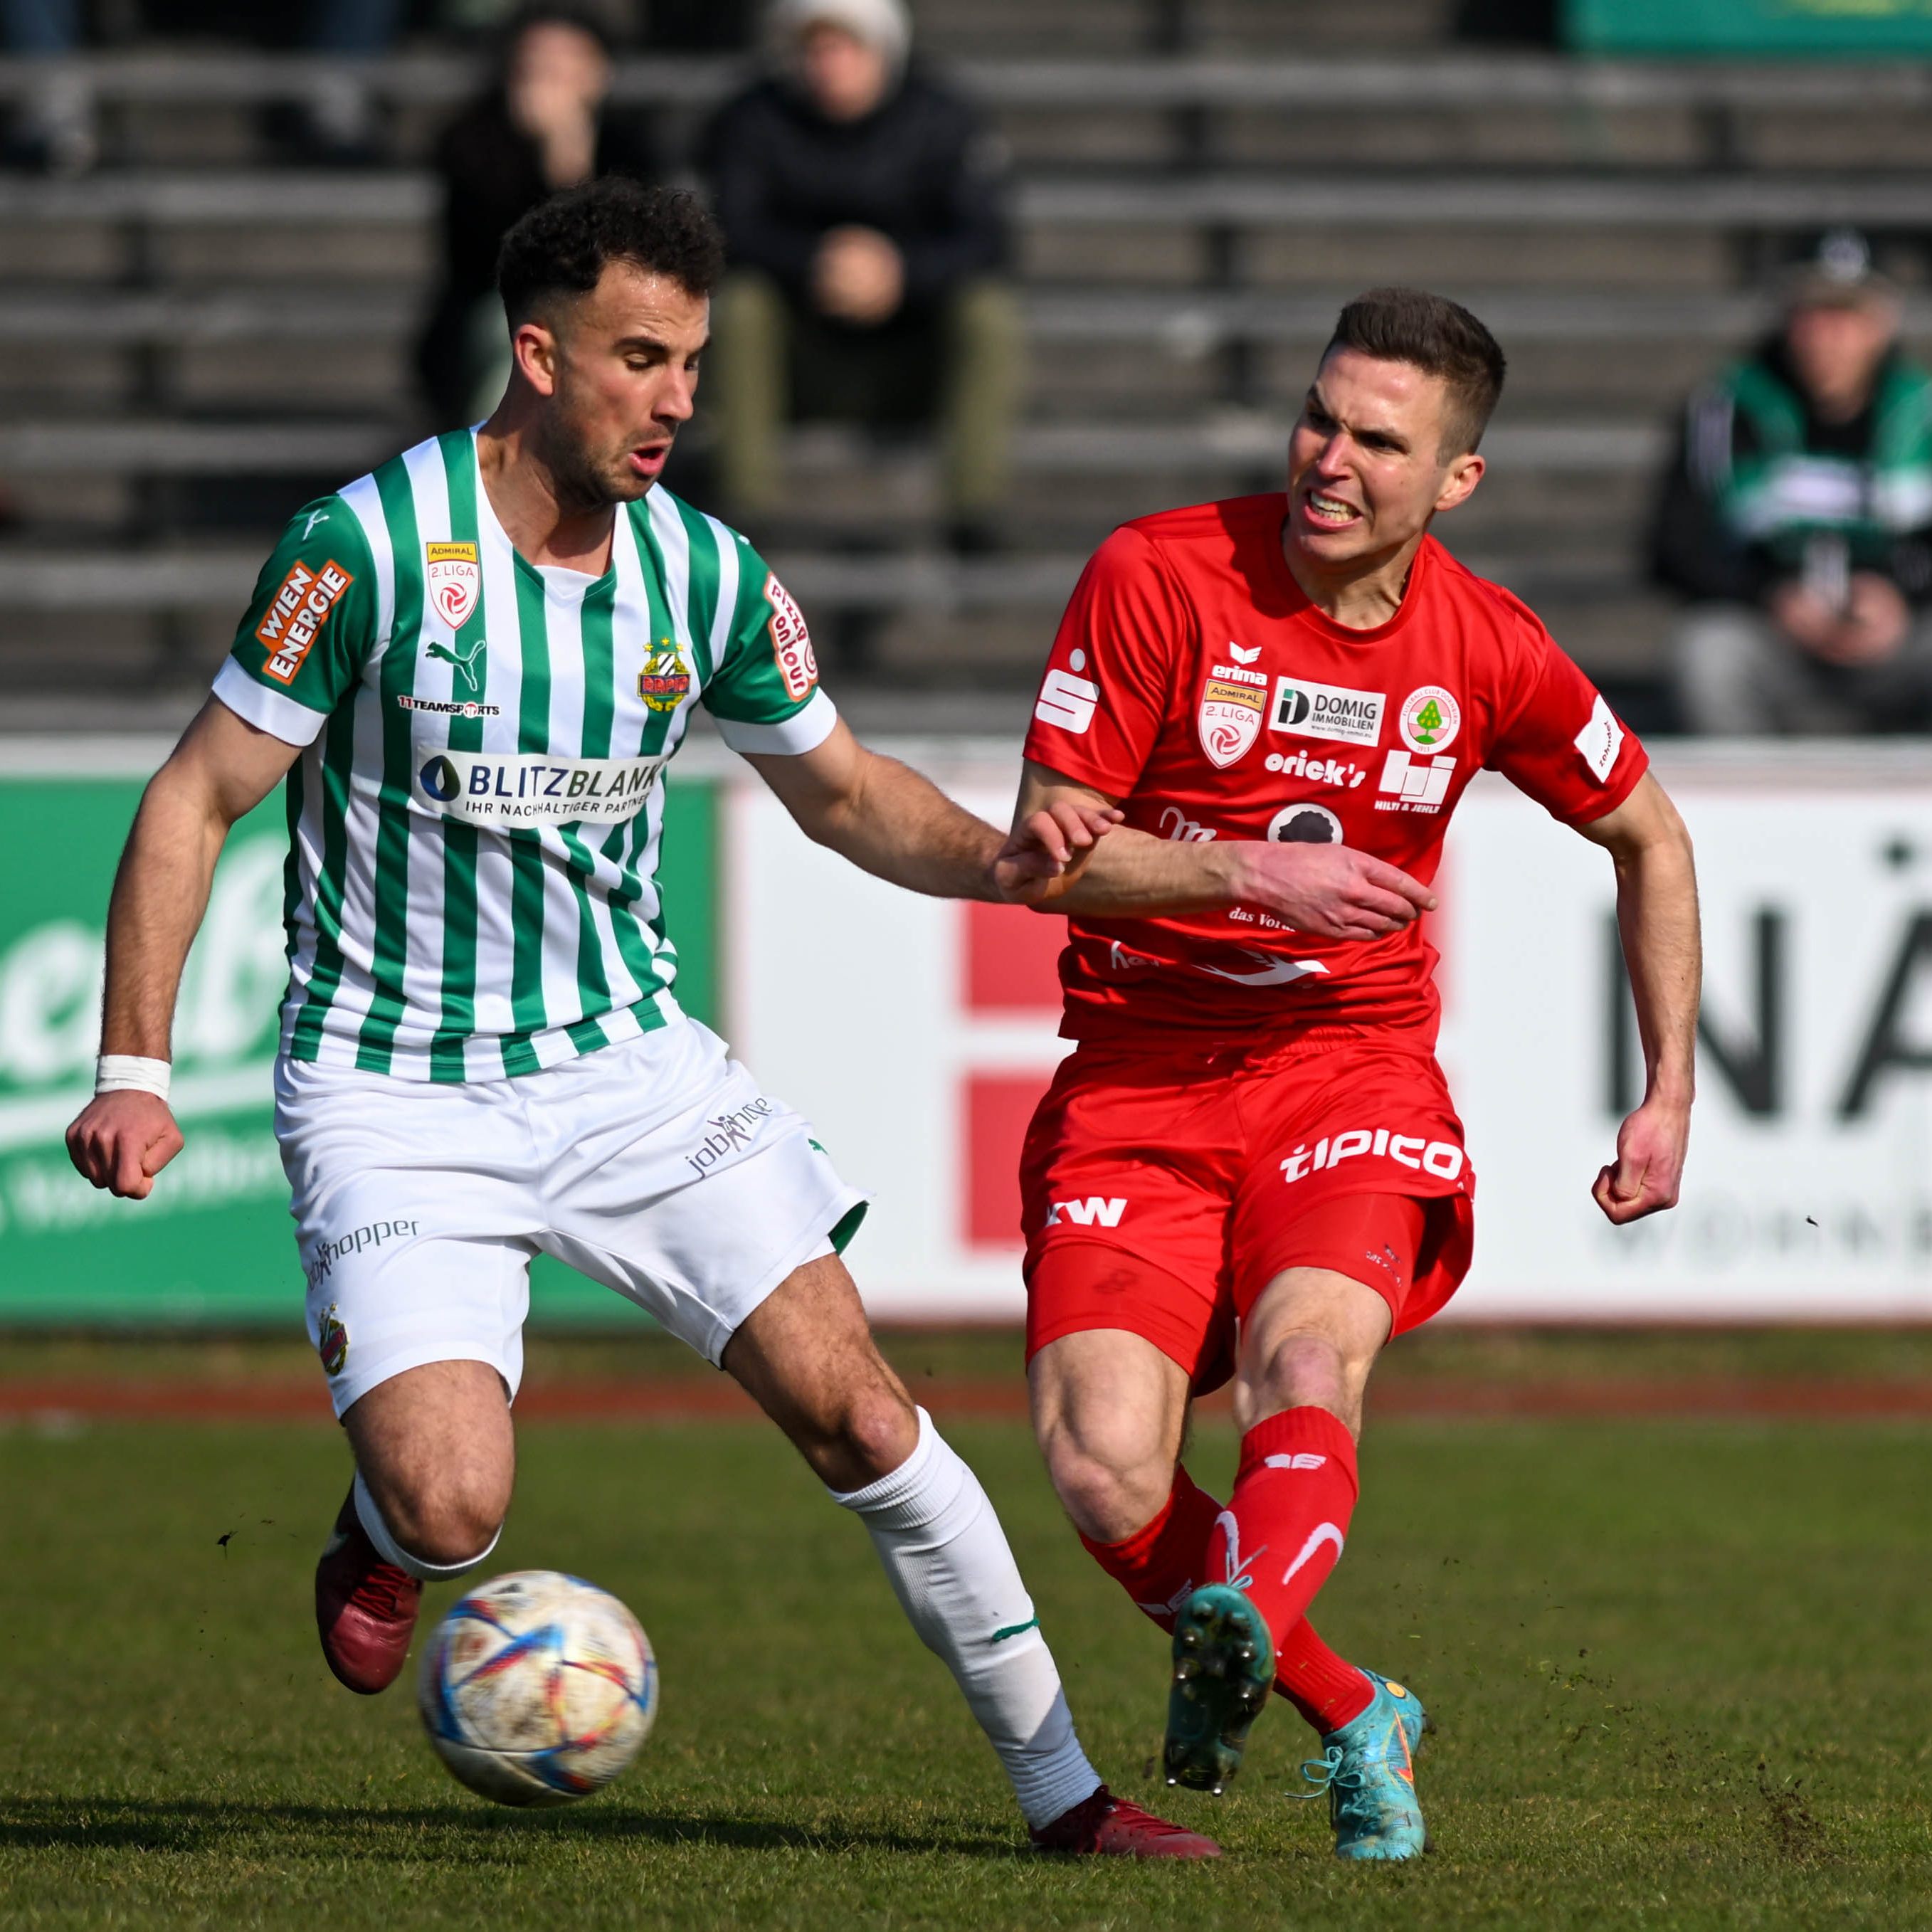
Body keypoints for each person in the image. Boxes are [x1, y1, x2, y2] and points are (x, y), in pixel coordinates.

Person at [63, 179, 1213, 1863]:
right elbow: (193, 797)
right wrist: (133, 1067)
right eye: (639, 357)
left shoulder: (704, 571)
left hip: (629, 1064)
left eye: (689, 359)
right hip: (395, 1088)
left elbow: (837, 794)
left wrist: (1013, 861)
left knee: (864, 1410)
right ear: (534, 356)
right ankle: (385, 1531)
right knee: (456, 1497)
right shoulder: (364, 545)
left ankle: (1065, 1795)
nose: (679, 395)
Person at [1006, 287, 1701, 1859]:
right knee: (1101, 1461)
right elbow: (1046, 851)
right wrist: (1245, 873)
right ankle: (1342, 1696)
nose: (1328, 457)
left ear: (1453, 478)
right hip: (1136, 1071)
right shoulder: (1154, 571)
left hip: (1346, 1067)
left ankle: (1239, 1620)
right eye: (1319, 416)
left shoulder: (1486, 645)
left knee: (1302, 1368)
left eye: (1376, 440)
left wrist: (1664, 1090)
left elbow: (1649, 834)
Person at [697, 0, 1020, 552]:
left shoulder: (941, 117)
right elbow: (728, 230)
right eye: (815, 48)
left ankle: (974, 507)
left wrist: (899, 272)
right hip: (795, 357)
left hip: (913, 357)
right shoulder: (752, 118)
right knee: (743, 306)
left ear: (884, 50)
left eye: (845, 46)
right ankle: (747, 507)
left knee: (988, 314)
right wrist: (818, 264)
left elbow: (988, 239)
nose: (830, 63)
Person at [1651, 229, 1932, 735]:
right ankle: (1740, 808)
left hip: (1900, 645)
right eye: (1814, 314)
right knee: (1708, 652)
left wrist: (1901, 598)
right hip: (1774, 642)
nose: (1830, 335)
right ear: (1786, 319)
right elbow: (1673, 546)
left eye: (1848, 314)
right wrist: (1771, 596)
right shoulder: (1728, 409)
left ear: (1882, 322)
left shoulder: (1923, 412)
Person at [417, 5, 655, 430]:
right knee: (518, 331)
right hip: (494, 314)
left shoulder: (631, 148)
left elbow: (632, 253)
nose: (551, 79)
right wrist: (554, 167)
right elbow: (485, 261)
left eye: (566, 64)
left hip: (609, 312)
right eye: (538, 65)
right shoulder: (471, 146)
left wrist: (573, 168)